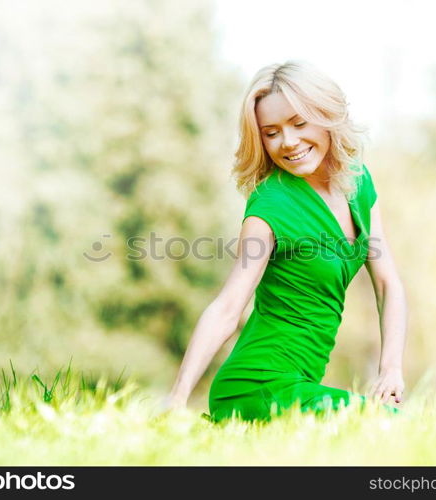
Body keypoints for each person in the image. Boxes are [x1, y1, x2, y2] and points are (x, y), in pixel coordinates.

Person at [164, 60, 407, 423]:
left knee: (384, 424)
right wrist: (177, 398)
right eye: (271, 132)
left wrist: (390, 368)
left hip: (300, 384)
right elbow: (229, 306)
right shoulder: (271, 203)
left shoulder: (357, 183)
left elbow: (388, 284)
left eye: (298, 123)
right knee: (386, 424)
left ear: (326, 116)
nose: (288, 142)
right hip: (255, 385)